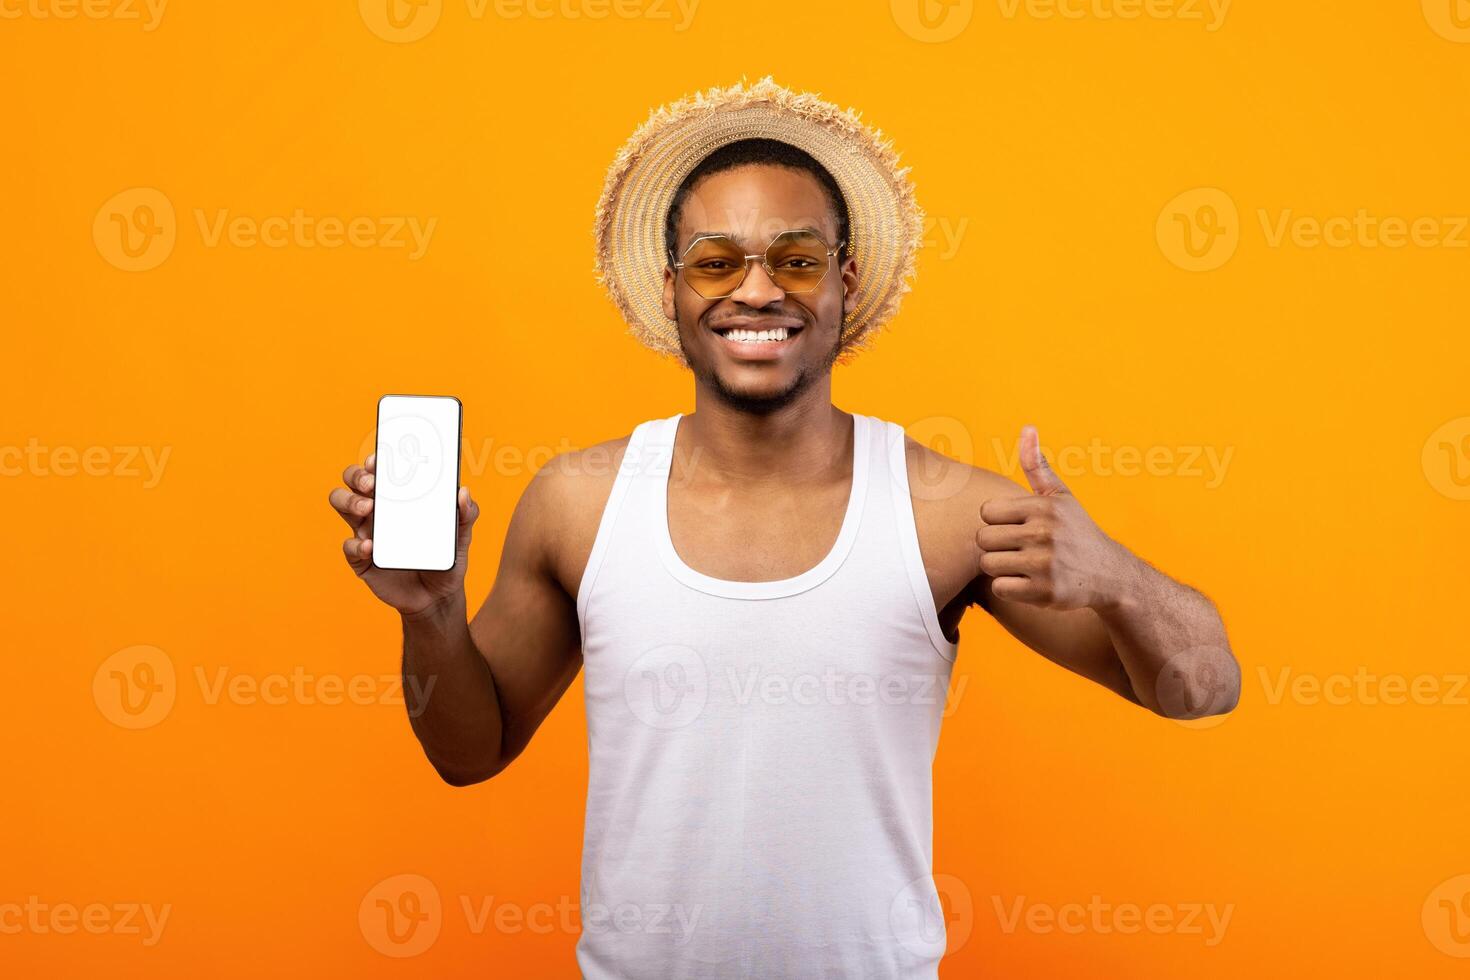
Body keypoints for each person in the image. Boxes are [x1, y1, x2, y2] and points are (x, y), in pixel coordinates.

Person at [328, 76, 1240, 979]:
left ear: (844, 280)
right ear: (674, 287)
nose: (757, 292)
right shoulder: (579, 503)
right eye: (718, 262)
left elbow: (1203, 689)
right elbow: (467, 753)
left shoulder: (946, 510)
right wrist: (432, 615)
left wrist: (1118, 575)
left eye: (796, 260)